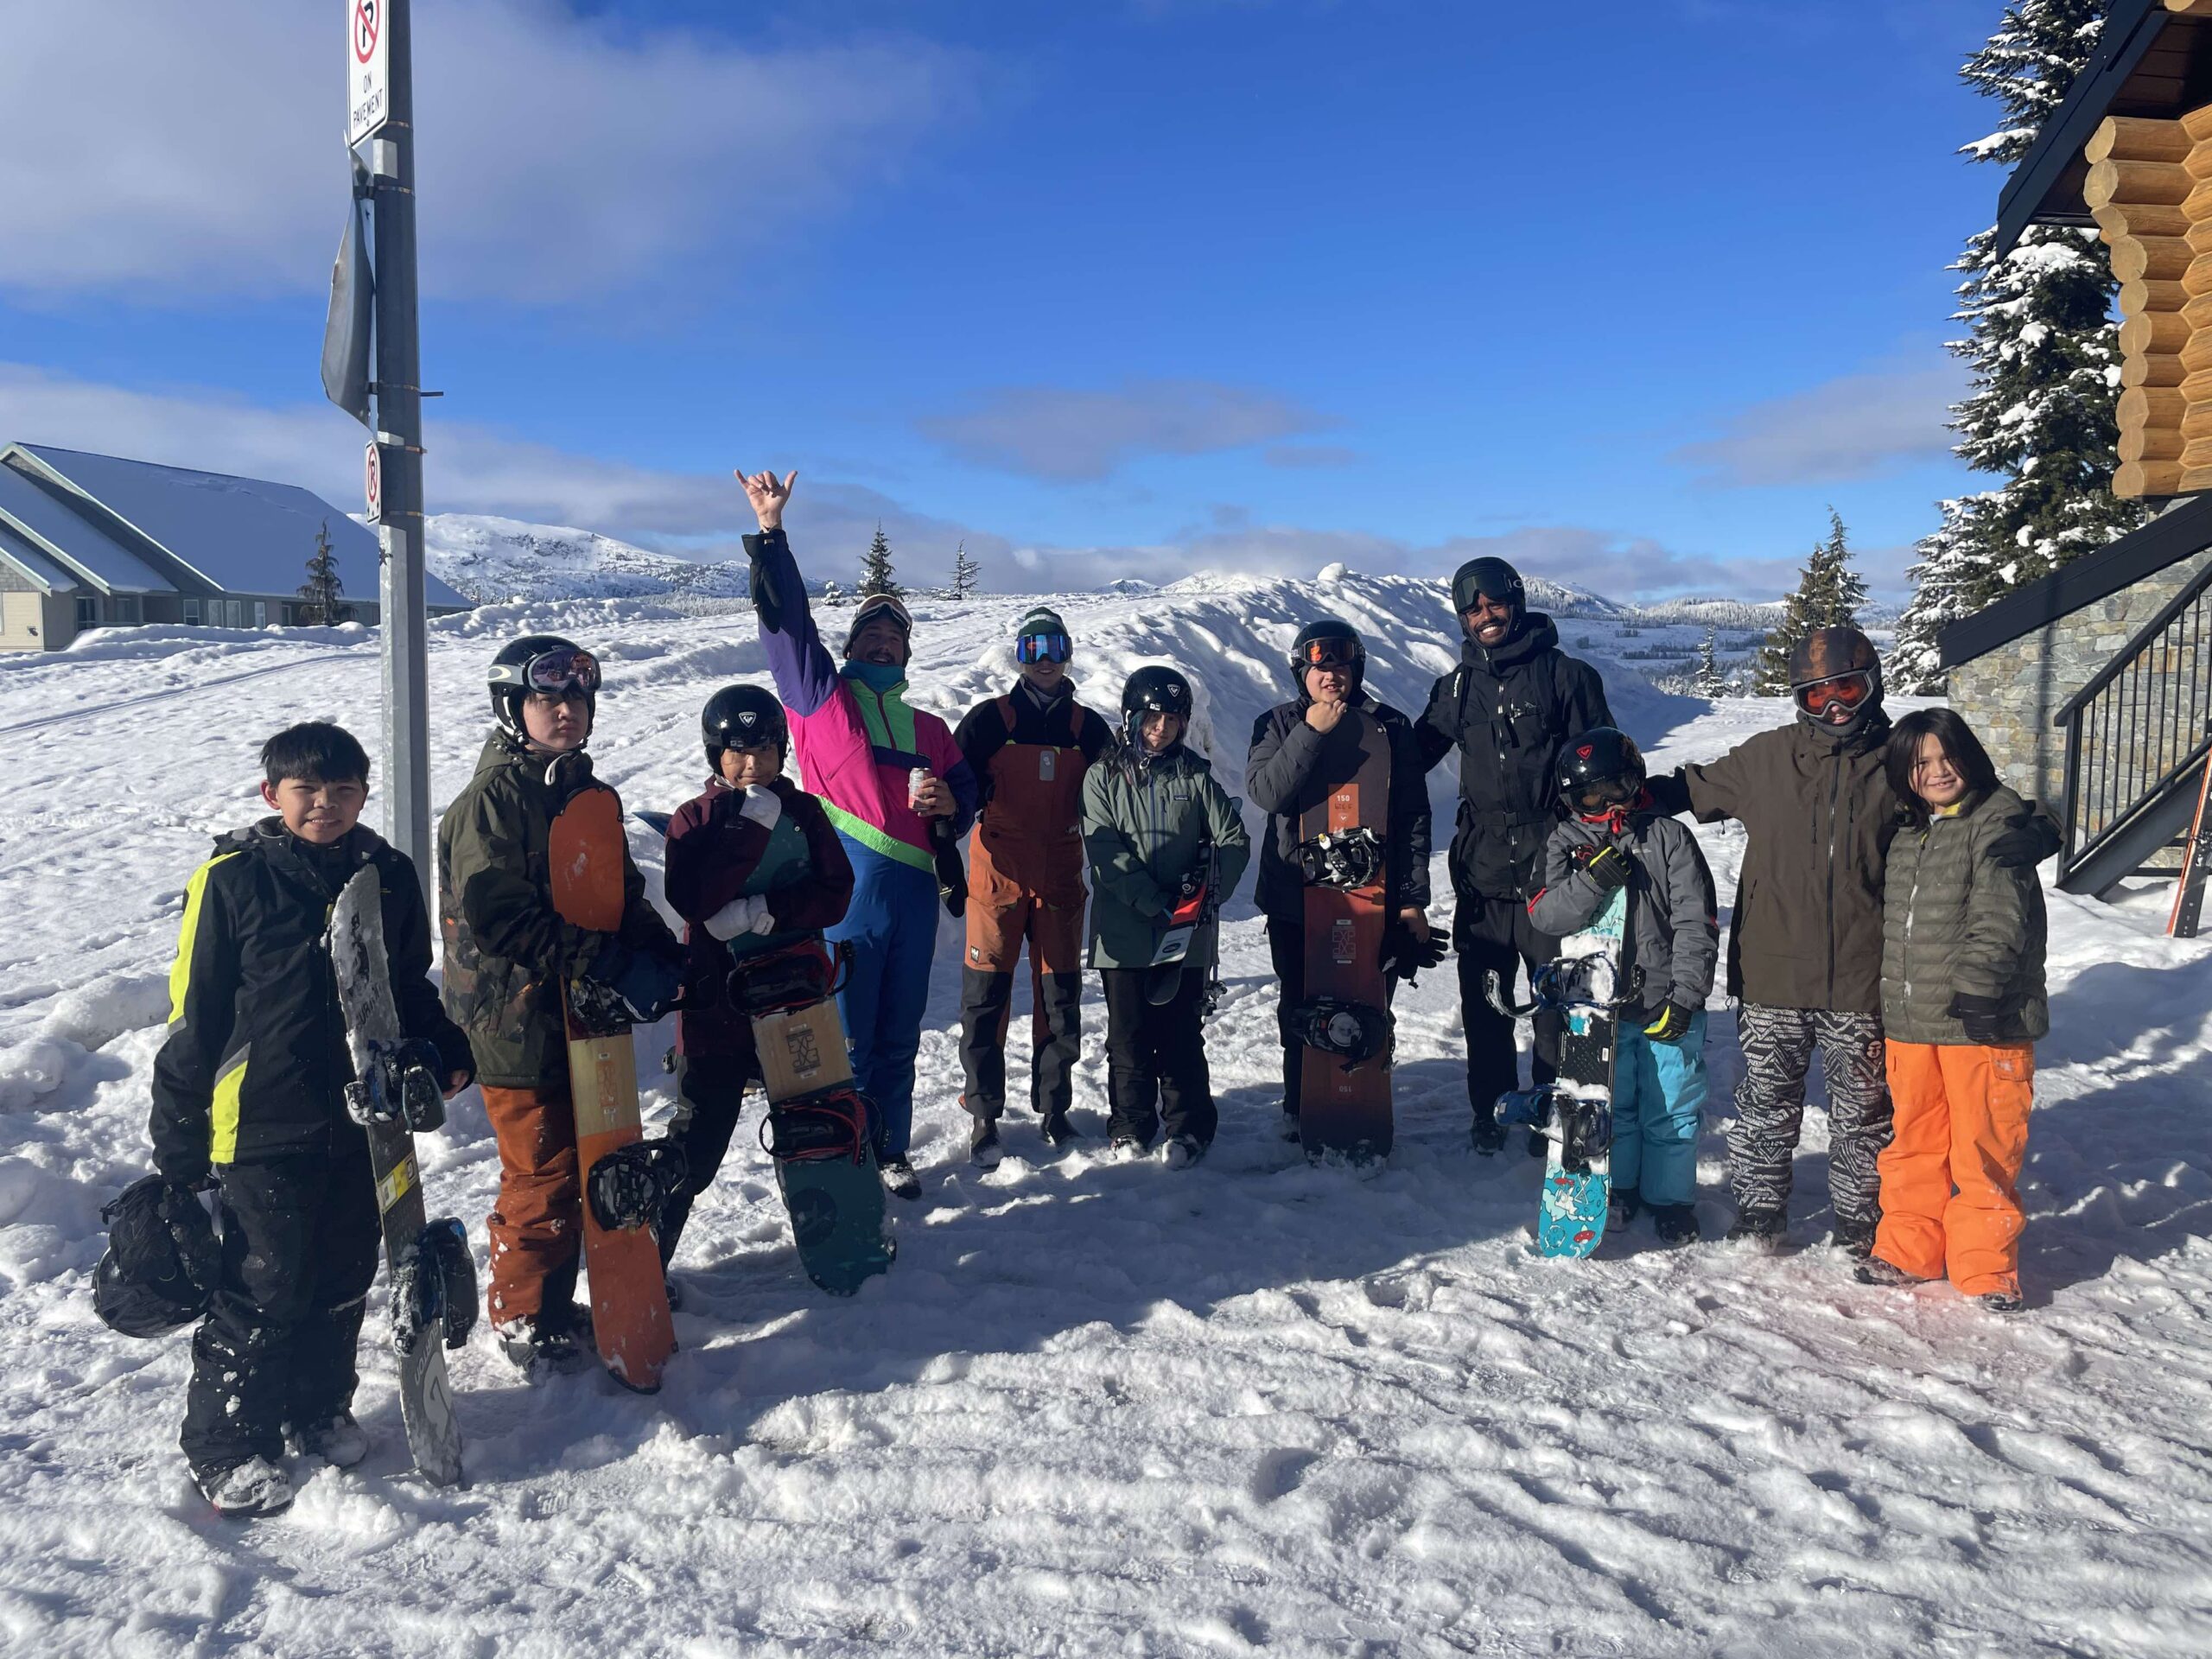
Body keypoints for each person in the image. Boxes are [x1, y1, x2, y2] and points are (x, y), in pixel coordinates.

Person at [1643, 625, 2056, 1253]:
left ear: (1873, 686)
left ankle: (1862, 1218)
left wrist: (2042, 825)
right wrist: (1607, 793)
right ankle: (1759, 1211)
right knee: (1765, 1103)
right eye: (1816, 695)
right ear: (1798, 701)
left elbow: (1980, 798)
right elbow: (1685, 788)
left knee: (1863, 1113)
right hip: (1774, 971)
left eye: (1847, 689)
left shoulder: (1898, 759)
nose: (1833, 705)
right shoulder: (1768, 758)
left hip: (1865, 976)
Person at [150, 721, 474, 1516]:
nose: (325, 804)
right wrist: (180, 1141)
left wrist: (443, 1048)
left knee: (341, 1276)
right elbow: (194, 1016)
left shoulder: (386, 874)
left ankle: (317, 1407)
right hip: (262, 1122)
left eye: (342, 790)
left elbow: (405, 985)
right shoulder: (233, 880)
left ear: (364, 794)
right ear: (273, 794)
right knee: (265, 1283)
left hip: (366, 1121)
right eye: (307, 790)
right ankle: (230, 1444)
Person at [438, 634, 683, 1370]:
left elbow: (619, 890)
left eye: (577, 696)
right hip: (515, 1019)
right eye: (546, 698)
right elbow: (501, 919)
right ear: (511, 707)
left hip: (582, 1011)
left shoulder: (583, 792)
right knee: (542, 1172)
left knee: (596, 1154)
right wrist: (606, 960)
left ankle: (566, 1294)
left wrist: (663, 955)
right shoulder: (493, 802)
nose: (566, 710)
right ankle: (524, 1312)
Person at [735, 468, 979, 1199]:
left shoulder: (931, 728)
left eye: (893, 636)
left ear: (906, 654)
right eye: (870, 633)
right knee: (846, 1037)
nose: (881, 642)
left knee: (899, 1033)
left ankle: (891, 1147)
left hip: (913, 895)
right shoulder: (821, 700)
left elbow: (966, 795)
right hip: (848, 890)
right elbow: (789, 629)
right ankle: (845, 1151)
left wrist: (949, 807)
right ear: (851, 646)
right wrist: (772, 536)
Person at [658, 684, 855, 1296]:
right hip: (715, 1009)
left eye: (765, 749)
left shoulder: (805, 812)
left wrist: (769, 910)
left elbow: (836, 891)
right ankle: (644, 1264)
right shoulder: (695, 818)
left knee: (817, 1119)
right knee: (698, 1138)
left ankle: (847, 1236)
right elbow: (692, 899)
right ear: (715, 754)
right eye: (738, 751)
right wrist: (747, 827)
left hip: (795, 997)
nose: (753, 763)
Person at [1415, 556, 1613, 1153]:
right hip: (1481, 872)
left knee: (1556, 1003)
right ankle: (1493, 1110)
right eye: (1472, 608)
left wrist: (1602, 848)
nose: (1485, 615)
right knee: (1485, 1006)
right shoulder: (1456, 688)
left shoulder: (1565, 677)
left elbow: (1603, 770)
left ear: (1516, 601)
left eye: (1494, 602)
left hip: (1551, 872)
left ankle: (1552, 1108)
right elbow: (1407, 758)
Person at [1859, 710, 2047, 1313]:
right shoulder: (1910, 832)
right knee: (1914, 1142)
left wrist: (1981, 992)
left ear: (1970, 756)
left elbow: (1999, 917)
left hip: (1980, 1021)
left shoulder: (1997, 822)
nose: (1937, 772)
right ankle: (1908, 1249)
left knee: (1983, 1150)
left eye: (1947, 758)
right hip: (1914, 1024)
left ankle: (1986, 1268)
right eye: (1921, 763)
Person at [1245, 616, 1439, 1140]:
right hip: (1295, 897)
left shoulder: (1390, 726)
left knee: (1368, 998)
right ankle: (1300, 1106)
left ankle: (1363, 1098)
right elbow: (1268, 792)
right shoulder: (1278, 724)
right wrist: (1312, 731)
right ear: (1300, 672)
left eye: (1342, 663)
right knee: (1300, 1005)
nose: (1330, 674)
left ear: (1358, 668)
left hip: (1374, 895)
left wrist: (1411, 902)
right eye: (1318, 664)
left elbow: (1412, 817)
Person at [1528, 728, 1718, 1244]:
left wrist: (1686, 996)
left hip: (1664, 999)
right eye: (1591, 798)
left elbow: (1695, 921)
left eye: (1617, 791)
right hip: (1599, 1007)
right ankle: (1624, 1186)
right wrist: (1591, 880)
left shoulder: (1668, 837)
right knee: (1619, 1108)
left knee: (1672, 1107)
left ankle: (1671, 1198)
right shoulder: (1565, 842)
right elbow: (1545, 915)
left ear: (1637, 784)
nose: (1607, 805)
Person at [951, 607, 1115, 1166]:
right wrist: (943, 859)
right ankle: (984, 1115)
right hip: (998, 872)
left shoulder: (1087, 728)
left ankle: (1054, 1108)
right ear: (1018, 657)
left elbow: (1114, 800)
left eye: (1054, 648)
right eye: (1032, 649)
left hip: (1061, 873)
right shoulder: (989, 720)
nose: (1044, 661)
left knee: (1059, 997)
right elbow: (954, 792)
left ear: (1068, 654)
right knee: (985, 999)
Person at [1080, 666, 1252, 1165]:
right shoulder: (1102, 777)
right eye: (1153, 717)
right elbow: (1105, 852)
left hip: (1185, 932)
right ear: (1131, 717)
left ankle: (1188, 1127)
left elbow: (1233, 839)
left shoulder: (1194, 776)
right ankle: (1130, 1125)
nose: (1161, 728)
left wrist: (1206, 896)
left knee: (1179, 1035)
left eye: (1172, 720)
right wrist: (1154, 902)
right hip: (1123, 933)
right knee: (1128, 1038)